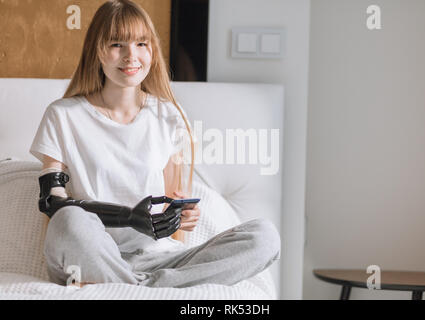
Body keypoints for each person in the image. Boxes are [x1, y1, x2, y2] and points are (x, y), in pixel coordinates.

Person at [29, 0, 280, 288]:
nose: (131, 56)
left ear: (152, 51)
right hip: (92, 254)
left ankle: (134, 289)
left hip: (156, 258)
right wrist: (128, 217)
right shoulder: (63, 115)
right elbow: (52, 202)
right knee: (68, 221)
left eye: (141, 44)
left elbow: (173, 201)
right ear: (96, 49)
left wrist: (182, 216)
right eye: (116, 44)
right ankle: (152, 290)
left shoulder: (168, 115)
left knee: (265, 236)